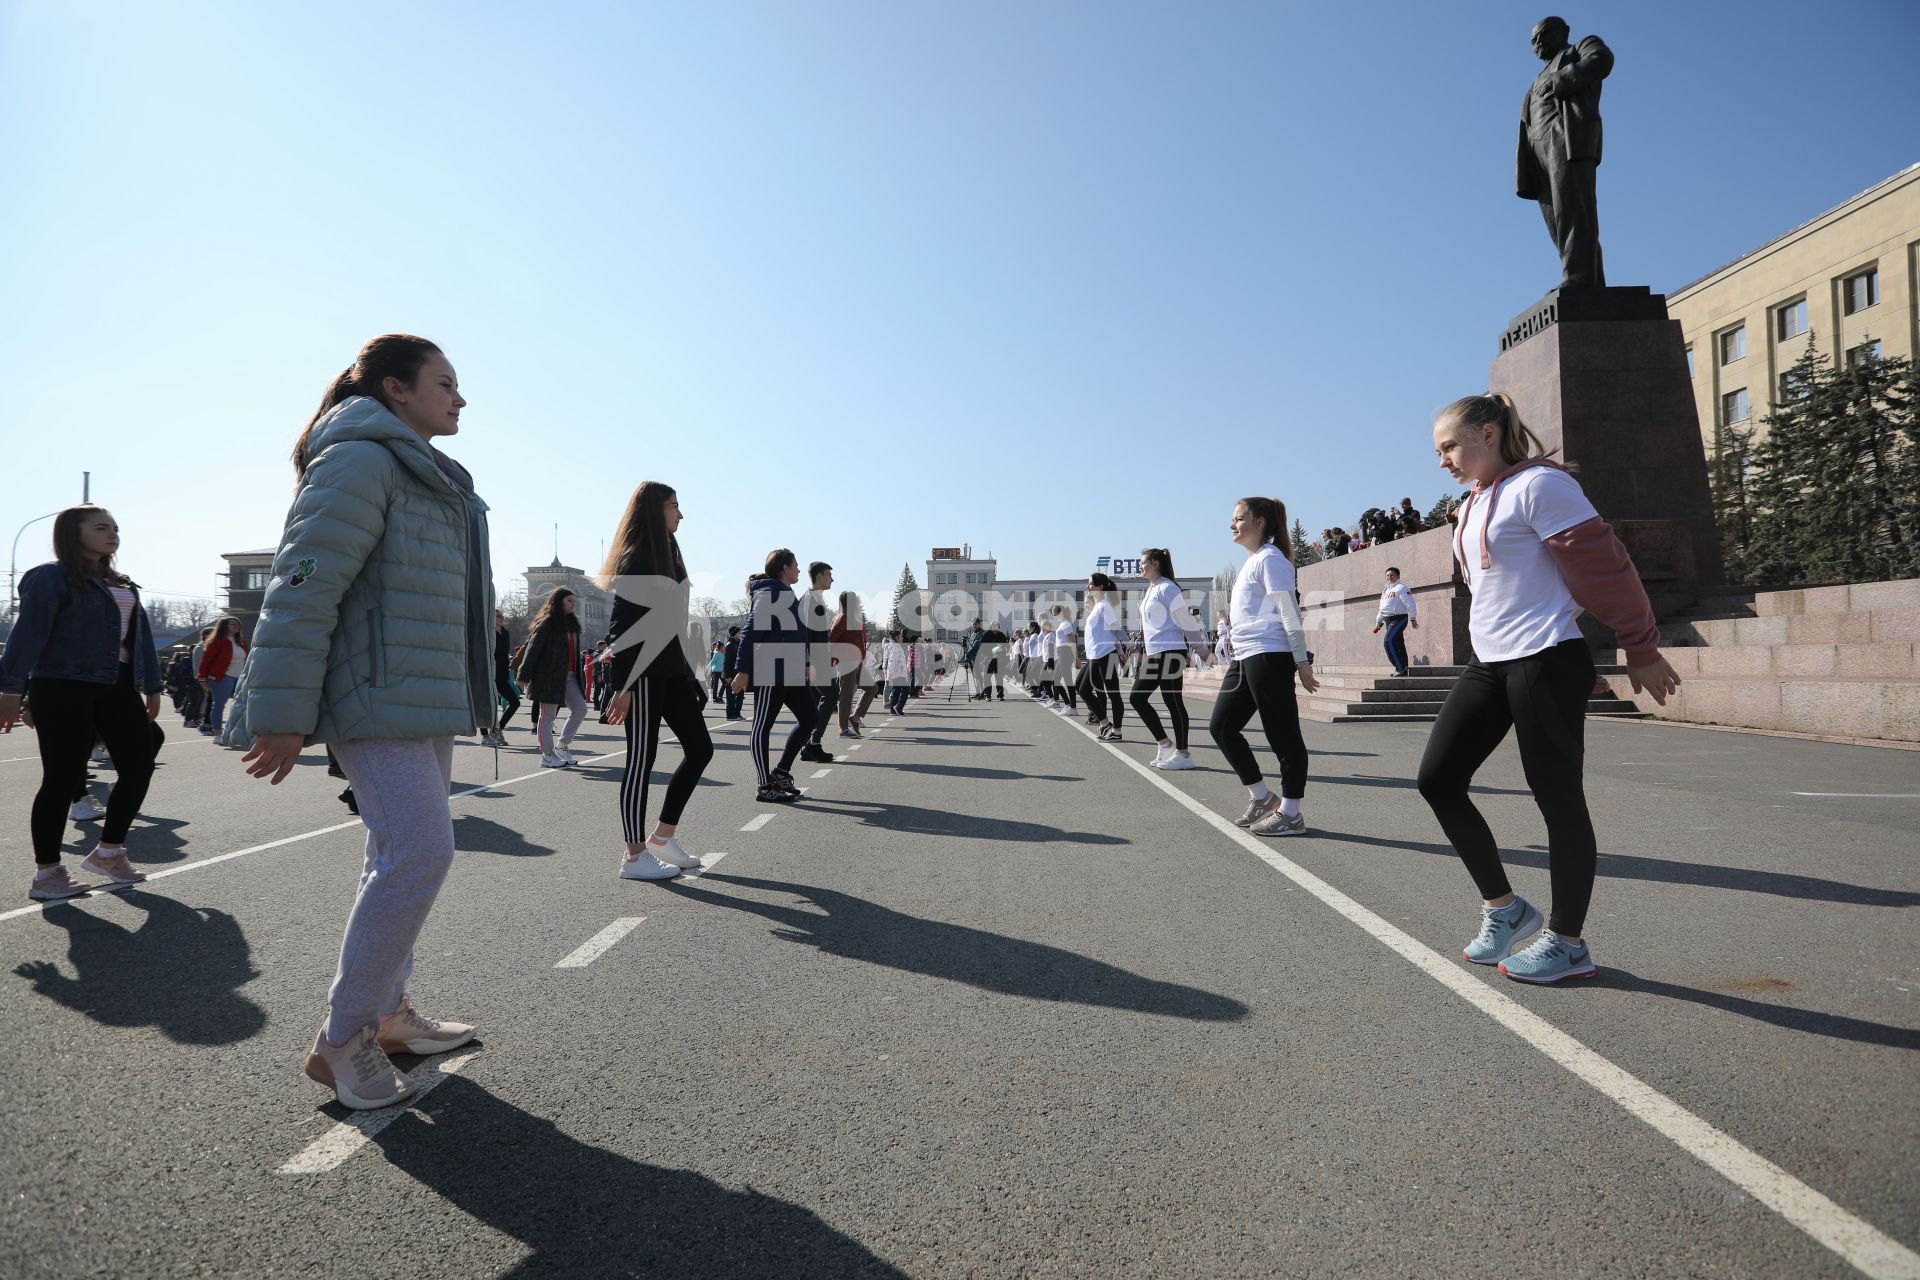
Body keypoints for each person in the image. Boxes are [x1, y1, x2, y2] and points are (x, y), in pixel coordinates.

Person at [231, 333, 492, 1109]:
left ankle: (387, 1015)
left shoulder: (429, 472)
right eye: (444, 382)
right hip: (374, 694)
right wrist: (277, 713)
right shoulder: (359, 458)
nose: (460, 396)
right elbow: (301, 585)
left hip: (420, 693)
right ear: (393, 389)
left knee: (395, 850)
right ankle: (342, 1039)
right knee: (421, 851)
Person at [1420, 392, 1677, 982]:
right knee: (1437, 779)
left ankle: (1567, 942)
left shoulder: (1542, 487)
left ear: (1488, 435)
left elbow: (1606, 567)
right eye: (1438, 451)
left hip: (1547, 659)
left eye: (1449, 447)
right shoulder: (1474, 502)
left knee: (1557, 799)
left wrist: (1640, 646)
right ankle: (1505, 910)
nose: (1443, 461)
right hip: (1491, 664)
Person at [0, 505, 163, 900]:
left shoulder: (122, 582)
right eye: (102, 527)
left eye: (116, 528)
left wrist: (152, 685)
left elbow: (137, 639)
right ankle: (47, 874)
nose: (113, 534)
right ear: (74, 533)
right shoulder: (51, 576)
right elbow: (29, 634)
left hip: (118, 686)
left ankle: (109, 851)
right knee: (61, 777)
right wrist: (10, 690)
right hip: (63, 685)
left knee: (140, 762)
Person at [599, 481, 714, 881]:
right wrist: (623, 685)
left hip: (670, 669)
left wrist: (688, 673)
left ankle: (662, 837)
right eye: (673, 506)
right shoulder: (639, 557)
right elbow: (623, 628)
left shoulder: (670, 551)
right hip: (644, 672)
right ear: (654, 511)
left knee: (701, 749)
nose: (680, 514)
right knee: (641, 761)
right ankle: (633, 857)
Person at [1208, 497, 1319, 836]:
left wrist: (1301, 660)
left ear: (1259, 521)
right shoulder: (1254, 561)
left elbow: (1289, 613)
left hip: (1269, 656)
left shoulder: (1272, 559)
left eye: (1238, 518)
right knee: (1222, 728)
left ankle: (1292, 813)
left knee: (1283, 737)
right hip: (1245, 657)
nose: (1232, 525)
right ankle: (1261, 796)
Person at [731, 549, 816, 803]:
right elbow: (750, 632)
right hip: (771, 669)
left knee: (810, 718)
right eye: (796, 566)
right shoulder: (769, 593)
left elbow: (794, 634)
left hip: (790, 668)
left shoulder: (785, 593)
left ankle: (780, 772)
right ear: (785, 568)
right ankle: (764, 786)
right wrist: (742, 670)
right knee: (762, 726)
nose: (799, 570)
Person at [1130, 548, 1208, 770]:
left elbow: (1185, 620)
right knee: (1137, 698)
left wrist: (1202, 650)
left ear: (1155, 563)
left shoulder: (1167, 588)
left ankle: (1184, 754)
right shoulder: (1152, 589)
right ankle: (1164, 743)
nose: (1140, 566)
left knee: (1173, 702)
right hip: (1156, 653)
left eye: (1143, 562)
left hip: (1171, 652)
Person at [515, 588, 589, 768]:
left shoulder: (572, 625)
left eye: (574, 600)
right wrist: (523, 675)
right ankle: (547, 756)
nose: (573, 603)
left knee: (581, 709)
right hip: (549, 677)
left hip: (570, 676)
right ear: (559, 602)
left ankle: (562, 746)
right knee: (547, 717)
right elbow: (532, 651)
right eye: (569, 600)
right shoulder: (547, 624)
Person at [1076, 572, 1126, 740]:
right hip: (1096, 656)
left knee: (1113, 694)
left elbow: (1116, 628)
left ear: (1100, 587)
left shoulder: (1104, 605)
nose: (1088, 587)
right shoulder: (1097, 606)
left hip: (1106, 655)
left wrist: (1126, 649)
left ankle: (1116, 731)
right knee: (1081, 687)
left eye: (1091, 584)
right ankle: (1105, 723)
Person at [798, 561, 836, 763]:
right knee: (831, 695)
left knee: (815, 703)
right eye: (829, 574)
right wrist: (806, 662)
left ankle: (808, 745)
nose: (832, 578)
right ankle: (813, 743)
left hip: (818, 658)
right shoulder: (809, 599)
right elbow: (802, 633)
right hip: (813, 660)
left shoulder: (815, 599)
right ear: (819, 576)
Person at [830, 591, 875, 737]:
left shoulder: (853, 618)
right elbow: (831, 639)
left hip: (857, 662)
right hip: (846, 662)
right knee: (846, 695)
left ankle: (855, 718)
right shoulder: (842, 618)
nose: (858, 602)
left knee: (872, 688)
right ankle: (843, 730)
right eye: (856, 600)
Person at [196, 616, 249, 738]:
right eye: (232, 624)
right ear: (224, 626)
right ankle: (217, 733)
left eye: (238, 623)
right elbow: (206, 661)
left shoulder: (241, 642)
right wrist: (202, 679)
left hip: (240, 678)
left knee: (244, 704)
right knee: (219, 704)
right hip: (222, 677)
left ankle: (238, 732)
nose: (236, 626)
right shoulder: (217, 642)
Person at [1372, 567, 1419, 677]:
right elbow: (1382, 608)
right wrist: (1378, 622)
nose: (1389, 577)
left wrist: (1413, 618)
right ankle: (1403, 667)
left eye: (1392, 575)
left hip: (1399, 618)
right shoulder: (1385, 590)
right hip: (1388, 620)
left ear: (1398, 576)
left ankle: (1400, 667)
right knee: (1398, 643)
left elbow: (1410, 604)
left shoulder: (1401, 588)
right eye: (1387, 575)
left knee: (1388, 641)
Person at [483, 610, 521, 747]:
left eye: (502, 616)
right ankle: (485, 736)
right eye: (498, 616)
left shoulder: (505, 633)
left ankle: (497, 729)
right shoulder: (487, 632)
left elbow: (504, 653)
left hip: (502, 674)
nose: (501, 618)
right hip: (487, 673)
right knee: (487, 704)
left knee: (515, 702)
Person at [1048, 605, 1078, 714]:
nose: (1054, 616)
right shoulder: (1062, 624)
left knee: (1067, 681)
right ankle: (1068, 704)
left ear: (1060, 613)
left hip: (1066, 653)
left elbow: (1072, 640)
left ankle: (1073, 707)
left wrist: (1076, 658)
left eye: (1055, 613)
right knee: (1056, 679)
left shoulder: (1066, 624)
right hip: (1062, 653)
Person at [883, 629, 912, 714]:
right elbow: (892, 661)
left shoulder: (895, 646)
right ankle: (898, 707)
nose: (903, 638)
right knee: (905, 689)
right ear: (896, 637)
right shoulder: (896, 647)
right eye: (901, 636)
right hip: (897, 672)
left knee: (896, 690)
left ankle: (893, 709)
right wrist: (891, 673)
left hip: (898, 672)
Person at [721, 625, 744, 720]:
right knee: (731, 696)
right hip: (731, 675)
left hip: (738, 674)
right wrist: (727, 675)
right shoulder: (730, 645)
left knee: (740, 695)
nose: (741, 634)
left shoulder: (739, 643)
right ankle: (730, 715)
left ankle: (737, 713)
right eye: (739, 632)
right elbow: (726, 662)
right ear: (734, 633)